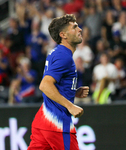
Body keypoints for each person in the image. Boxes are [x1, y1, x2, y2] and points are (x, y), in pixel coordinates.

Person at [28, 14, 89, 150]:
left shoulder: (56, 52)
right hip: (57, 123)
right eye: (74, 27)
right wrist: (70, 106)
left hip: (43, 120)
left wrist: (72, 91)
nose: (79, 29)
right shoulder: (64, 56)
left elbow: (55, 84)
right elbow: (45, 84)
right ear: (63, 35)